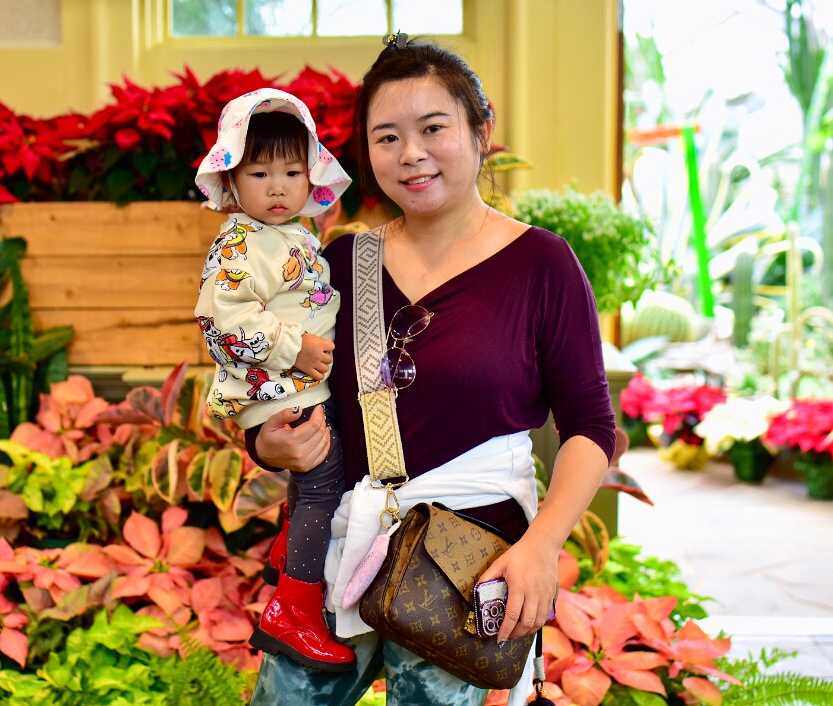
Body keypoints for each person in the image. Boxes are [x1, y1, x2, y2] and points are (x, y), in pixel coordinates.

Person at [245, 35, 616, 706]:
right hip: (339, 542)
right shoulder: (341, 262)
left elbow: (591, 427)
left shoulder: (542, 266)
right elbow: (290, 396)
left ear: (482, 130)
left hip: (468, 560)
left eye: (433, 128)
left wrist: (541, 547)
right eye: (386, 137)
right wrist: (268, 441)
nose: (410, 154)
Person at [193, 88, 357, 671]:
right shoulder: (241, 244)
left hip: (299, 386)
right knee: (322, 484)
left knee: (318, 483)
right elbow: (224, 319)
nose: (280, 186)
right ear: (232, 182)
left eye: (292, 170)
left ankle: (293, 546)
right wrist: (298, 346)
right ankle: (294, 611)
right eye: (259, 172)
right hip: (279, 387)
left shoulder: (288, 236)